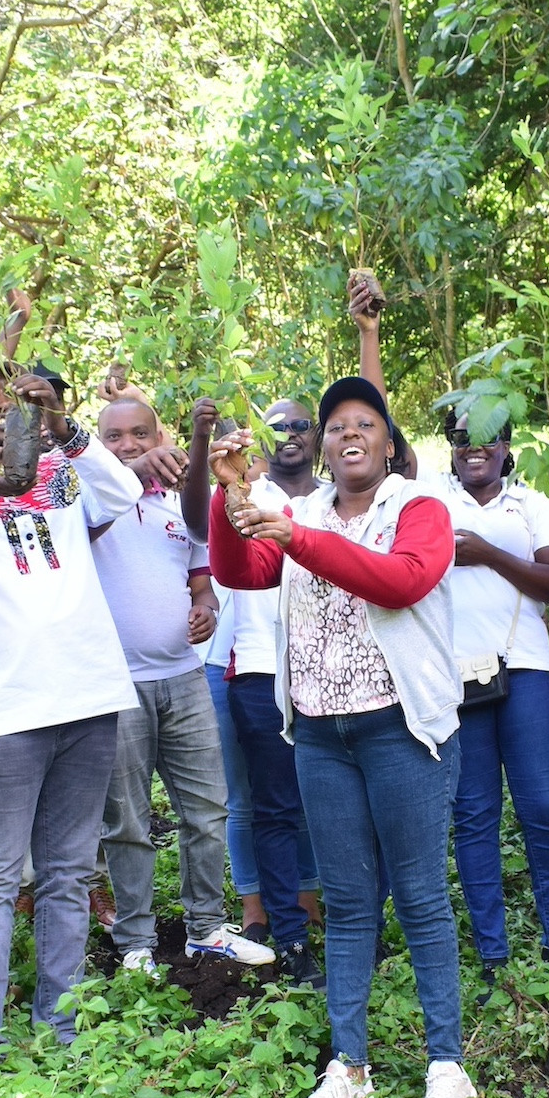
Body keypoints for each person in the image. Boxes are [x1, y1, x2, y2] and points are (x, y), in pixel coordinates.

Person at [210, 374, 473, 1098]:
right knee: (351, 904)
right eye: (335, 426)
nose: (348, 433)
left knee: (421, 898)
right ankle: (348, 1067)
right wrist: (232, 500)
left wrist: (293, 536)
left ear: (389, 442)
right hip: (321, 734)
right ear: (323, 447)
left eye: (365, 422)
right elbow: (239, 569)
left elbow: (401, 582)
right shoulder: (304, 511)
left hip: (400, 727)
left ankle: (446, 1067)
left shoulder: (419, 508)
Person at [0, 355, 143, 1049]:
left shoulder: (64, 471)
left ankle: (59, 1027)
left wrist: (66, 427)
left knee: (68, 874)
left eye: (9, 392)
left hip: (86, 697)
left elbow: (125, 494)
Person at [92, 394, 272, 974]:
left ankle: (205, 929)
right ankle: (137, 940)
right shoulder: (81, 501)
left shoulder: (177, 506)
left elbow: (202, 580)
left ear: (158, 435)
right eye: (114, 437)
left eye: (140, 434)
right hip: (115, 685)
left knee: (206, 809)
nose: (128, 446)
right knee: (128, 820)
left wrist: (206, 609)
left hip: (184, 677)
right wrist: (124, 477)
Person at [437, 405, 549, 996]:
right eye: (459, 437)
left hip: (525, 668)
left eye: (485, 436)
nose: (472, 446)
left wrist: (487, 554)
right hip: (455, 677)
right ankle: (492, 958)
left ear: (507, 446)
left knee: (544, 809)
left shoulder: (532, 504)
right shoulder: (429, 503)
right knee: (474, 816)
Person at [179, 394, 328, 989]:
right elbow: (207, 532)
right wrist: (223, 477)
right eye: (277, 426)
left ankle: (336, 920)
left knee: (327, 803)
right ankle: (285, 931)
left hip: (332, 670)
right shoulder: (244, 493)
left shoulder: (334, 498)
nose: (289, 433)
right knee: (269, 803)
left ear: (316, 433)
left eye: (300, 424)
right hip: (261, 668)